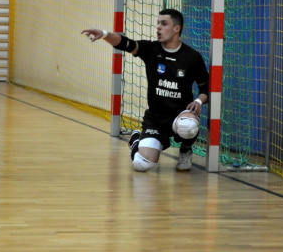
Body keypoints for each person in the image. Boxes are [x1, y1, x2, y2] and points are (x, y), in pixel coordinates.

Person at [82, 9, 209, 172]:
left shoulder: (192, 56)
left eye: (164, 24)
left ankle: (185, 151)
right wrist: (105, 34)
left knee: (188, 125)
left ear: (177, 28)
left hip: (180, 114)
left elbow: (205, 88)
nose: (158, 27)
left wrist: (199, 101)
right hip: (156, 119)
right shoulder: (151, 50)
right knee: (141, 165)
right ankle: (136, 140)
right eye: (157, 23)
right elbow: (125, 43)